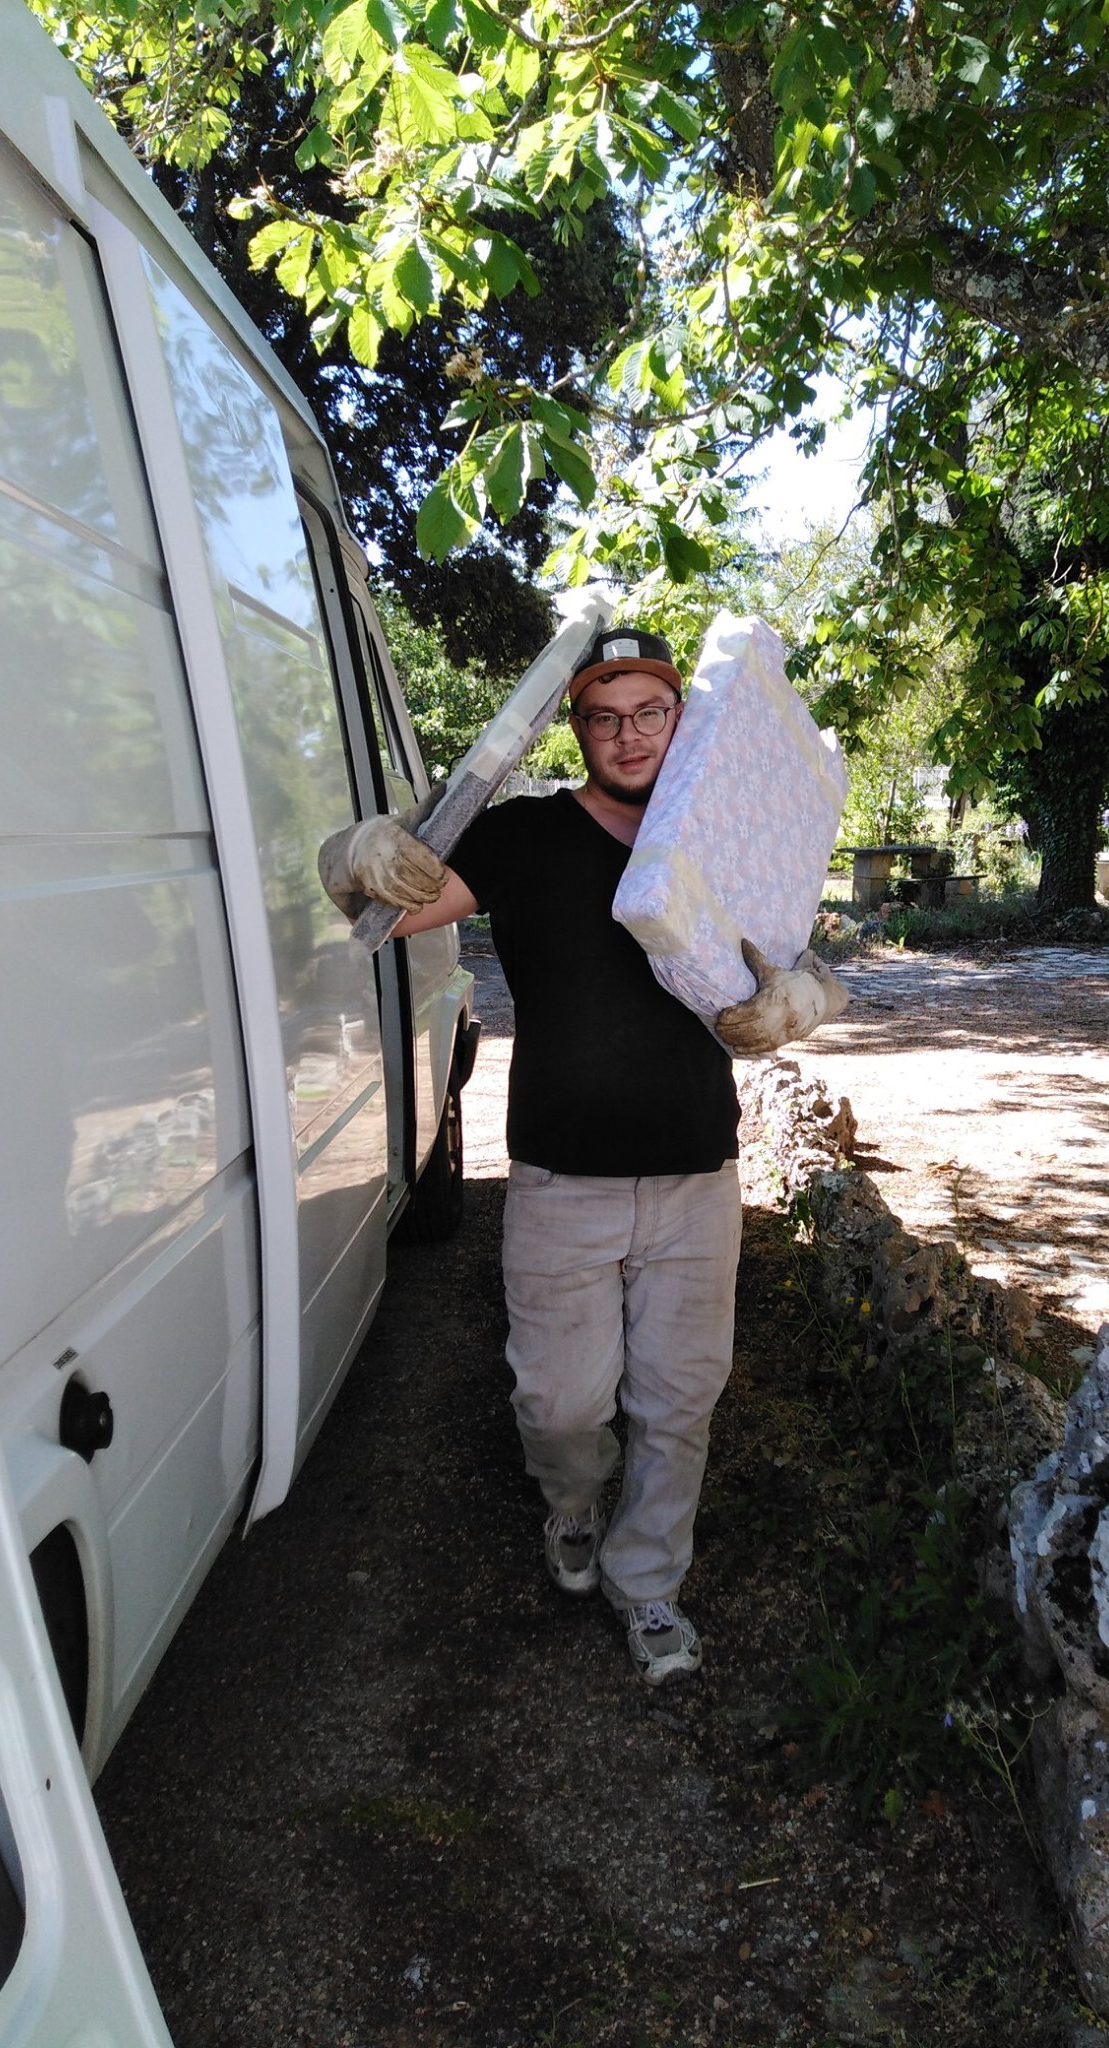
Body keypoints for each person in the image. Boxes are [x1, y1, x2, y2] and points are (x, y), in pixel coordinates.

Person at [318, 627, 847, 1684]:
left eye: (650, 710)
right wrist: (350, 857)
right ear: (579, 725)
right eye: (606, 714)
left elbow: (795, 956)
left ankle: (647, 1583)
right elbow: (387, 903)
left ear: (679, 719)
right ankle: (573, 1498)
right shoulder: (524, 839)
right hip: (560, 1180)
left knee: (680, 1397)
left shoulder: (717, 836)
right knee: (559, 1403)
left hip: (697, 1173)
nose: (629, 732)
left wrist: (809, 996)